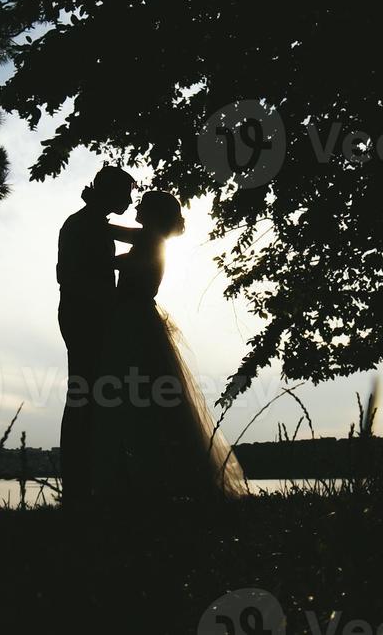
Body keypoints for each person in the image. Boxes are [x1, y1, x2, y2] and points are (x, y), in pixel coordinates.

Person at [91, 190, 248, 502]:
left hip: (135, 319)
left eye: (143, 205)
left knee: (141, 396)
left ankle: (151, 481)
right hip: (135, 316)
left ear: (153, 214)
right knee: (151, 399)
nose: (136, 207)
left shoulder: (150, 240)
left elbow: (115, 243)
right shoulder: (150, 239)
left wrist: (94, 223)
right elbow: (117, 239)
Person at [55, 165, 135, 505]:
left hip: (93, 316)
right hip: (82, 318)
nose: (130, 201)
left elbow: (97, 265)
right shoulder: (80, 224)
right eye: (125, 194)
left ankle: (90, 483)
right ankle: (76, 487)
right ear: (109, 192)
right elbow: (67, 275)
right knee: (82, 395)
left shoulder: (96, 225)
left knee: (92, 396)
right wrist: (110, 298)